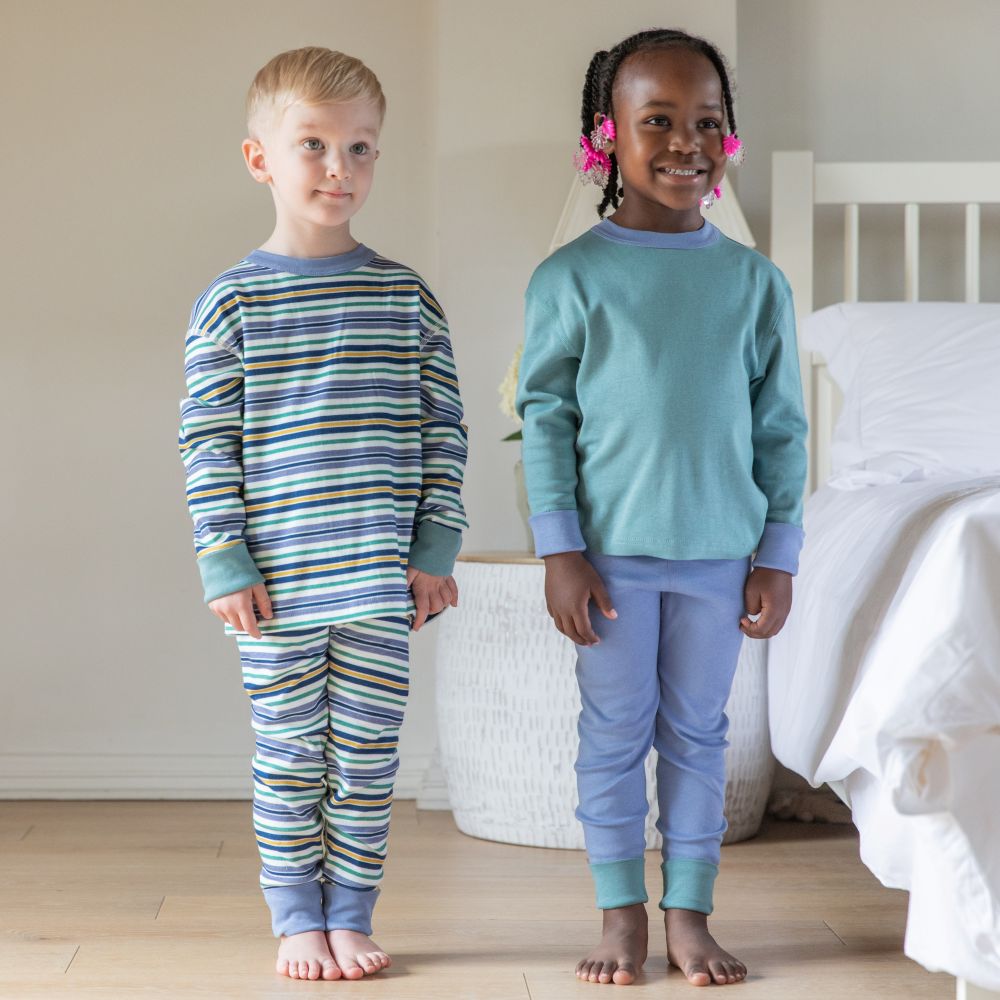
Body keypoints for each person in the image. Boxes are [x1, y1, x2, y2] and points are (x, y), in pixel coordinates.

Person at [516, 27, 807, 988]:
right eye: (660, 121)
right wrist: (560, 549)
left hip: (720, 557)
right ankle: (619, 914)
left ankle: (690, 913)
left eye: (708, 123)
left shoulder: (754, 284)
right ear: (607, 137)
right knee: (612, 732)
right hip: (608, 565)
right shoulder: (571, 280)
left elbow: (782, 432)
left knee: (698, 735)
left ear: (730, 138)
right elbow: (546, 422)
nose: (687, 142)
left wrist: (779, 550)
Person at [177, 46, 467, 983]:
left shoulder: (404, 296)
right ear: (262, 157)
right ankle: (296, 915)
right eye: (315, 145)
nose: (340, 169)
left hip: (381, 581)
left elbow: (443, 433)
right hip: (277, 586)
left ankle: (352, 912)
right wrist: (226, 562)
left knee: (369, 762)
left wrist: (434, 549)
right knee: (294, 758)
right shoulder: (231, 304)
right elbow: (207, 447)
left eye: (361, 148)